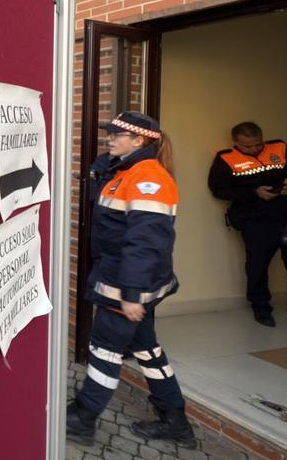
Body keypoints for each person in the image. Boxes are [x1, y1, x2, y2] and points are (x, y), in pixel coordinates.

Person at [67, 111, 195, 448]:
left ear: (139, 141)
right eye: (110, 133)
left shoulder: (148, 178)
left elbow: (147, 243)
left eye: (116, 134)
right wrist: (105, 165)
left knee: (104, 350)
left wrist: (132, 293)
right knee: (147, 349)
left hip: (126, 285)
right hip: (131, 282)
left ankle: (83, 417)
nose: (109, 138)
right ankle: (175, 419)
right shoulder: (125, 170)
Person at [207, 121, 287, 327]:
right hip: (255, 219)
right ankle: (261, 308)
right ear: (236, 142)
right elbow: (218, 190)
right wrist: (253, 192)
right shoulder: (225, 159)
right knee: (257, 265)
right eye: (248, 146)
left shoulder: (280, 148)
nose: (255, 149)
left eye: (258, 144)